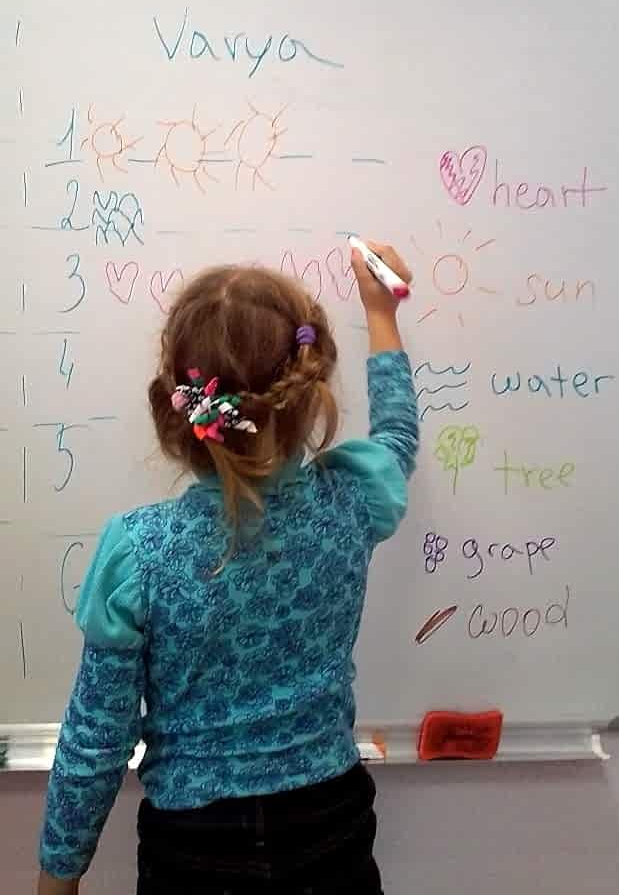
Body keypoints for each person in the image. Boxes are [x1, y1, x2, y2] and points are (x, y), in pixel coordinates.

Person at [38, 241, 419, 895]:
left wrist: (58, 879)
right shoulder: (353, 501)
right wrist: (382, 314)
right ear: (307, 396)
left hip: (193, 849)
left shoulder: (139, 551)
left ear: (176, 407)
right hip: (332, 824)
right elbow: (397, 439)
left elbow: (97, 739)